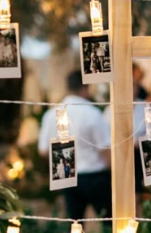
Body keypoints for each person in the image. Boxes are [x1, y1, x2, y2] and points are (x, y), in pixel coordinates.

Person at [38, 71, 112, 220]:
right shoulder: (92, 113)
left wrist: (61, 160)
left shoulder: (51, 114)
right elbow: (104, 148)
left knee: (74, 223)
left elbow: (43, 150)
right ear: (85, 88)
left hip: (66, 174)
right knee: (107, 220)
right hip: (95, 174)